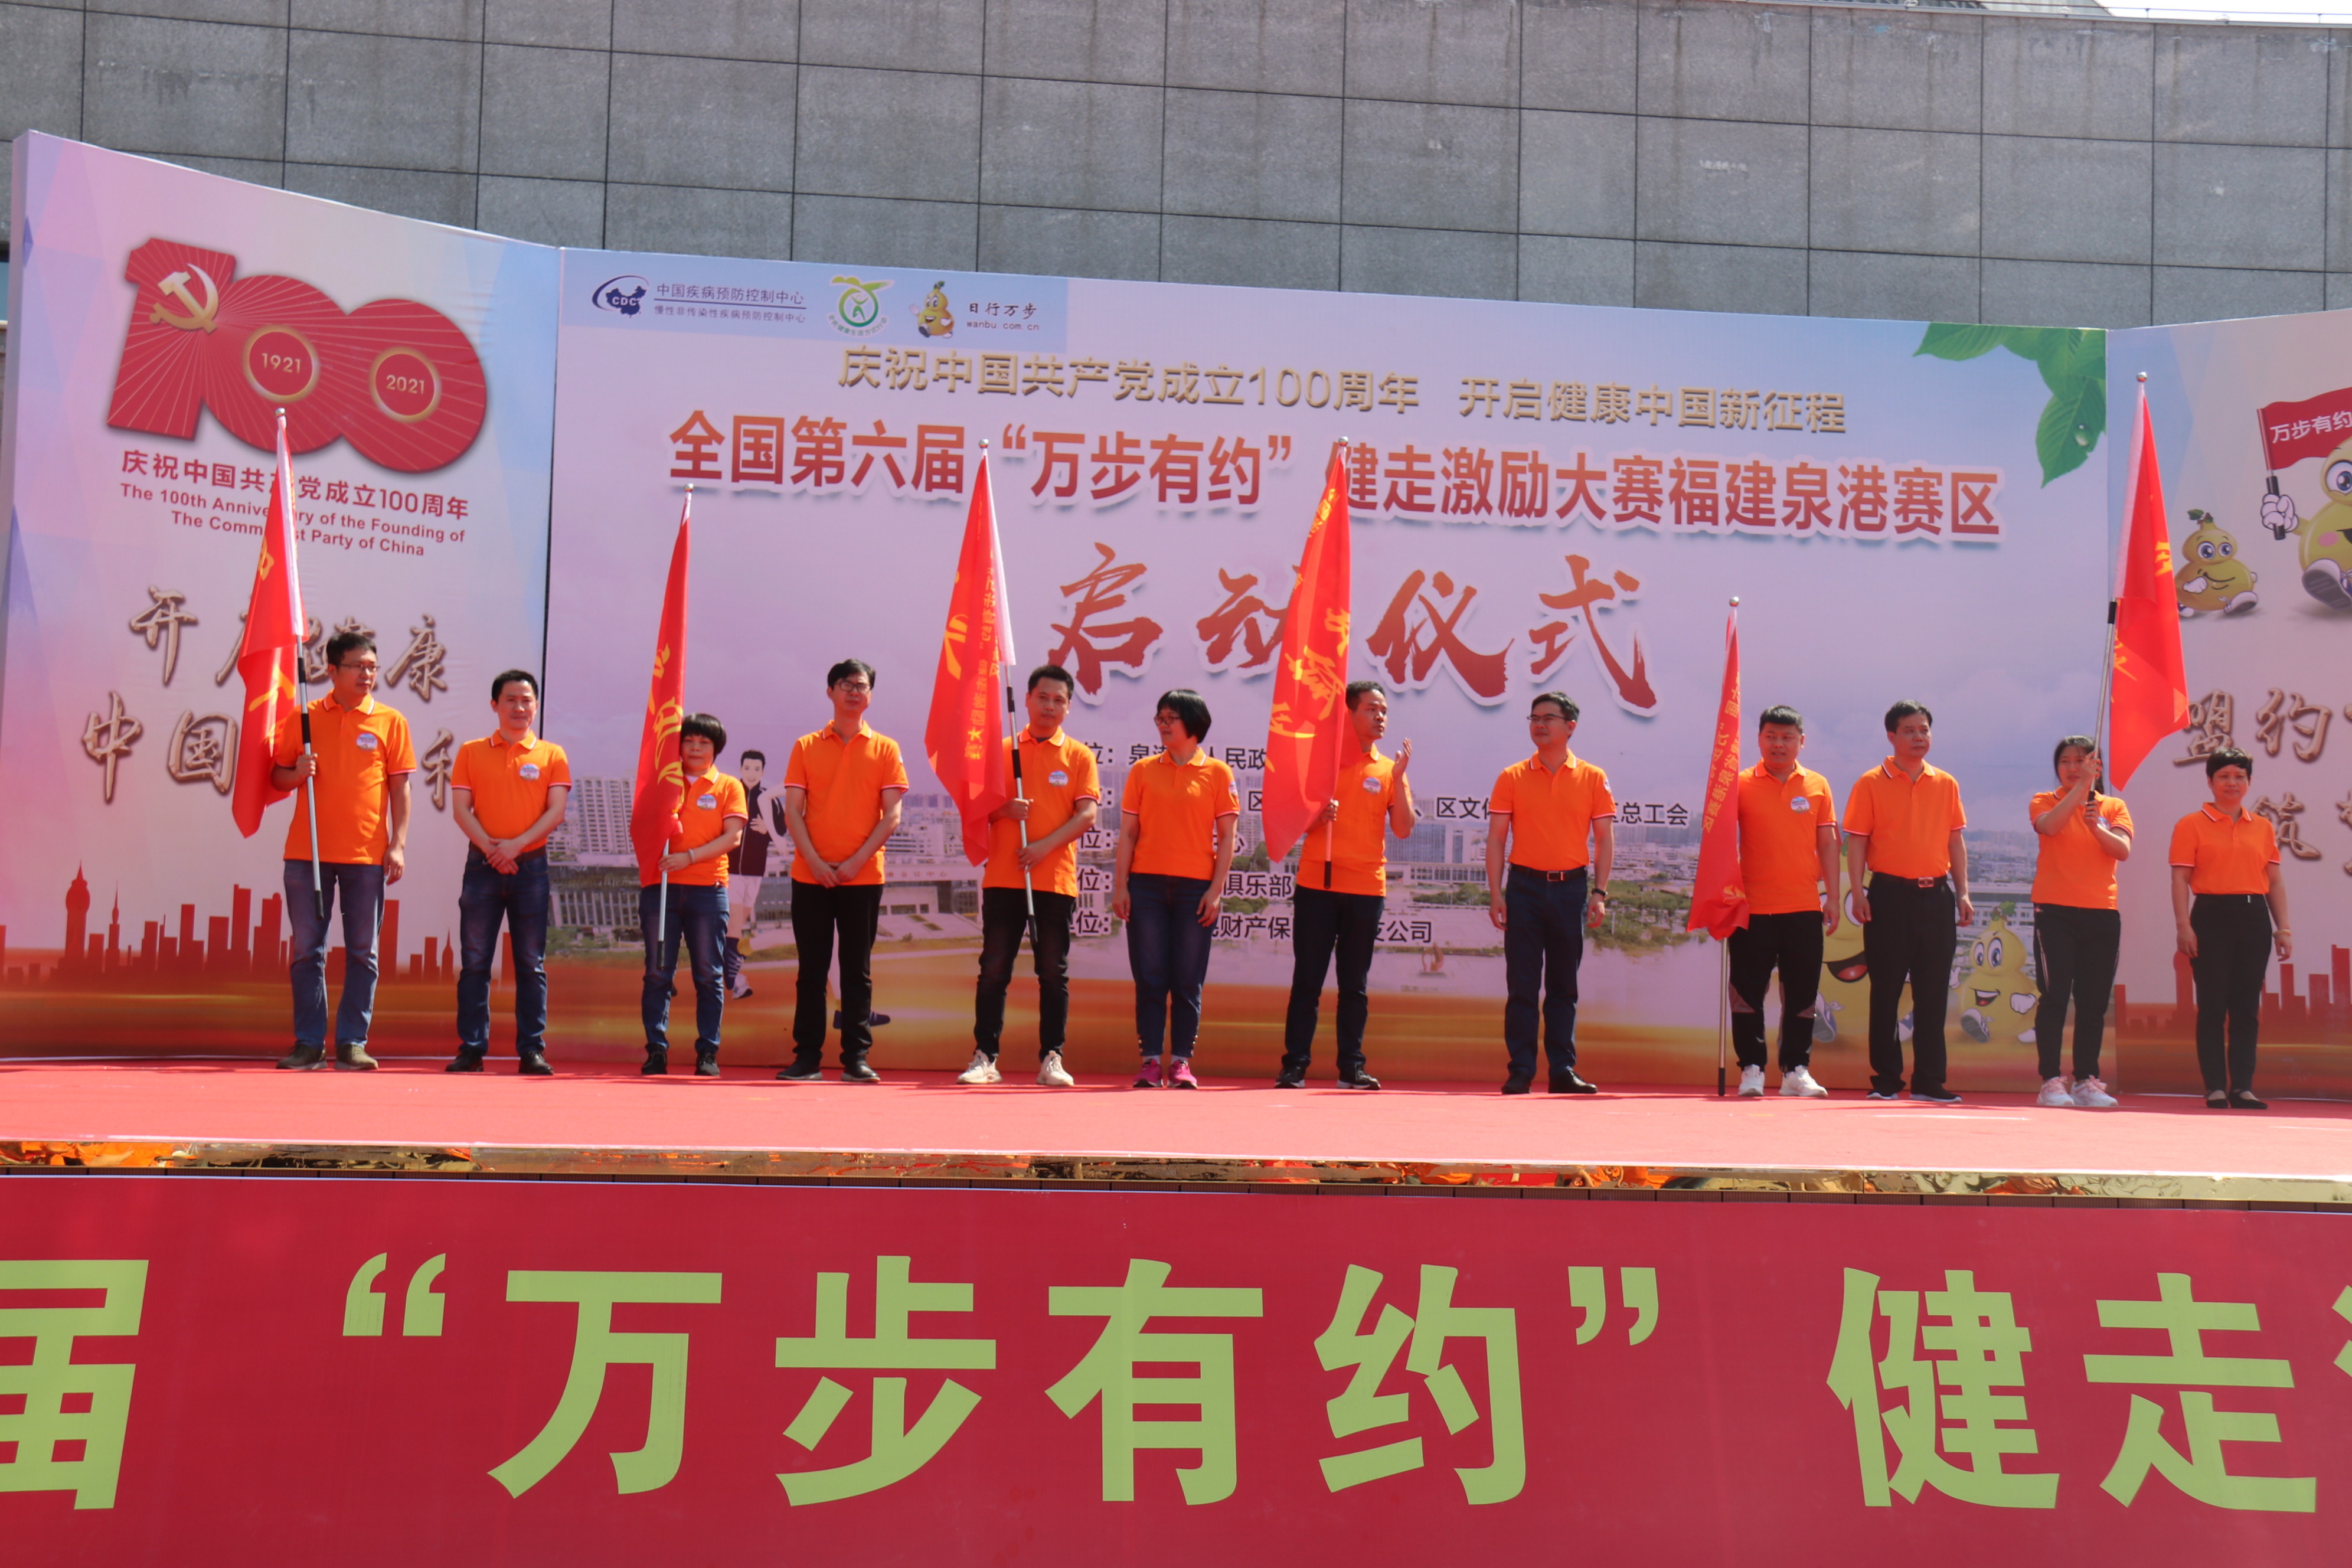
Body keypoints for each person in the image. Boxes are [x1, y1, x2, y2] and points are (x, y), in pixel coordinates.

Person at [272, 630, 414, 1070]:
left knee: (363, 953)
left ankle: (353, 1043)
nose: (367, 675)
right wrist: (298, 773)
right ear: (332, 670)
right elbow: (277, 777)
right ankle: (309, 1044)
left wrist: (398, 844)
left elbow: (400, 789)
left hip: (366, 856)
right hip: (308, 853)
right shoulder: (305, 718)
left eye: (372, 667)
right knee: (307, 952)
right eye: (358, 667)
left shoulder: (390, 721)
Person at [961, 664, 1100, 1088]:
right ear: (1027, 699)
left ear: (1069, 707)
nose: (1050, 706)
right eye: (1043, 697)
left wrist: (1043, 847)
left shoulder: (1079, 756)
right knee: (994, 970)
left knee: (1053, 973)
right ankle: (985, 1057)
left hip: (1054, 880)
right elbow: (973, 809)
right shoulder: (1002, 751)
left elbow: (1087, 814)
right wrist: (1002, 810)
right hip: (1004, 878)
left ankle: (1052, 1058)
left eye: (1059, 700)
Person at [1278, 680, 1415, 1090]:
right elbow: (1289, 821)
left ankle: (1351, 1067)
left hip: (1366, 888)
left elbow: (1404, 829)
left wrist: (1400, 778)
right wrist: (1317, 817)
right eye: (1371, 709)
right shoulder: (1321, 765)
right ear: (1348, 714)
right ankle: (1295, 1065)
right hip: (1318, 884)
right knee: (1308, 980)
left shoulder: (1388, 769)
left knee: (1355, 985)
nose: (1380, 717)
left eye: (1384, 710)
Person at [780, 659, 908, 1083]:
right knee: (812, 971)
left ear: (870, 695)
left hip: (863, 877)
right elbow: (793, 812)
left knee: (857, 971)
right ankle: (807, 1058)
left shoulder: (885, 748)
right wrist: (817, 863)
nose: (854, 692)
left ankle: (856, 1058)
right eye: (845, 684)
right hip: (810, 876)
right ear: (830, 691)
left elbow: (892, 816)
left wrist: (855, 862)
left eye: (862, 685)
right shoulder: (805, 746)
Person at [1843, 700, 1972, 1104]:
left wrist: (1963, 892)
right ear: (1892, 736)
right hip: (1889, 897)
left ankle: (1930, 1081)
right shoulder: (1870, 782)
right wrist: (1859, 892)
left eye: (1924, 730)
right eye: (1910, 731)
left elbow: (1955, 841)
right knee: (1886, 993)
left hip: (1936, 897)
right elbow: (1858, 842)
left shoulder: (1945, 783)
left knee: (1933, 994)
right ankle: (1886, 1079)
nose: (1919, 737)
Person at [1485, 691, 1615, 1095]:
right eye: (1534, 718)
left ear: (1570, 726)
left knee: (1563, 986)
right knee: (1522, 985)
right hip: (1523, 888)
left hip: (1570, 888)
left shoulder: (1592, 777)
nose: (1540, 725)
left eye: (1549, 718)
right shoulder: (1512, 776)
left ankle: (1562, 1070)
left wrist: (1599, 893)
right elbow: (1496, 839)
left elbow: (1604, 839)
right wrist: (1496, 893)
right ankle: (1521, 1070)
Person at [1112, 688, 1239, 1089]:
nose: (1163, 725)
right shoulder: (1143, 770)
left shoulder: (1218, 773)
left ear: (1194, 724)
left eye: (1171, 718)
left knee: (1187, 979)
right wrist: (1121, 886)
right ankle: (1150, 1061)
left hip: (1195, 890)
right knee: (1150, 977)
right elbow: (1128, 834)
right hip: (1146, 887)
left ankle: (1181, 1061)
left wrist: (1216, 891)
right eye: (1160, 718)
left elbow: (1228, 837)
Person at [447, 669, 571, 1074]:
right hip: (482, 866)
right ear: (495, 705)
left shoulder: (552, 755)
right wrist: (493, 850)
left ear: (536, 706)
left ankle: (532, 1050)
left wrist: (515, 847)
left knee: (531, 964)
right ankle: (471, 1048)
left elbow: (556, 812)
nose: (519, 707)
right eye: (511, 700)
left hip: (530, 867)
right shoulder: (471, 752)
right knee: (475, 962)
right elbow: (462, 810)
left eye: (526, 700)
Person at [2170, 747, 2290, 1110]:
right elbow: (2180, 879)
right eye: (2224, 776)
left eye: (2239, 776)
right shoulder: (2191, 824)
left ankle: (2243, 1088)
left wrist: (2284, 928)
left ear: (2249, 782)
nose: (2232, 783)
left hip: (2254, 917)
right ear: (2210, 782)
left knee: (2245, 1007)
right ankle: (2215, 1088)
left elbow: (2274, 881)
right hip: (2210, 916)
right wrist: (2183, 925)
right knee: (2212, 1006)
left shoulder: (2263, 827)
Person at [1727, 704, 1838, 1098]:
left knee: (1802, 995)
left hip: (1803, 907)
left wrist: (1833, 897)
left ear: (1801, 742)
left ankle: (1796, 1070)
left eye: (1787, 737)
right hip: (1752, 908)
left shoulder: (1817, 785)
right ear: (1759, 739)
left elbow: (1828, 844)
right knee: (1747, 994)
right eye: (1771, 736)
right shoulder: (1739, 784)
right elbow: (1719, 844)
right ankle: (1752, 1068)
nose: (1779, 744)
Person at [639, 713, 746, 1076]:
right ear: (678, 746)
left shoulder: (728, 786)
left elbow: (733, 837)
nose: (696, 748)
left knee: (708, 975)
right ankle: (656, 1050)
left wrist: (689, 857)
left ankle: (708, 1052)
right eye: (689, 741)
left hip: (707, 891)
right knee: (658, 973)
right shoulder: (662, 784)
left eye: (704, 743)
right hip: (661, 890)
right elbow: (642, 826)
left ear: (716, 749)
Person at [2029, 736, 2133, 1109]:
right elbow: (2050, 827)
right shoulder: (2045, 800)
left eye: (2081, 761)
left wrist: (2096, 827)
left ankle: (2086, 1079)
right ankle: (2050, 1081)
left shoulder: (2113, 807)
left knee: (2093, 1002)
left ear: (2097, 766)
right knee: (2055, 997)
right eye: (2066, 762)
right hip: (2055, 912)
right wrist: (2081, 790)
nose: (2073, 767)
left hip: (2101, 912)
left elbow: (2122, 850)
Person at [723, 748, 770, 999]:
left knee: (735, 929)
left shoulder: (769, 799)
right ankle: (735, 983)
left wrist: (768, 829)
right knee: (734, 928)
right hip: (730, 872)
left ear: (763, 772)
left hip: (755, 873)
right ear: (741, 769)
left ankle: (731, 977)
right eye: (747, 768)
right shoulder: (732, 793)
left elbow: (784, 829)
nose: (752, 773)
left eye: (757, 769)